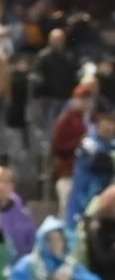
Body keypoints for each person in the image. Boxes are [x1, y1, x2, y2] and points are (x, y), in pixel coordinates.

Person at [53, 82, 97, 216]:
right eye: (81, 99)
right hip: (69, 172)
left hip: (90, 174)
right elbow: (57, 147)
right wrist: (80, 142)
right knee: (66, 211)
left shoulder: (94, 120)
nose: (85, 102)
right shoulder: (66, 120)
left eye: (88, 99)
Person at [66, 111, 115, 227]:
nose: (108, 128)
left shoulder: (111, 145)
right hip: (84, 194)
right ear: (99, 126)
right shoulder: (88, 142)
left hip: (101, 197)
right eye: (105, 124)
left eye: (111, 125)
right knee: (79, 228)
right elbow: (100, 162)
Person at [0, 164, 34, 260]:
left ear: (12, 186)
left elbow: (31, 249)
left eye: (6, 182)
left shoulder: (24, 216)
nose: (1, 186)